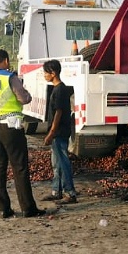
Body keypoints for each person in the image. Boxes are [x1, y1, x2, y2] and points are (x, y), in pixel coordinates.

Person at [0, 49, 45, 219]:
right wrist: (26, 92)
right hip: (10, 128)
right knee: (19, 168)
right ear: (5, 60)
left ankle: (4, 209)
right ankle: (28, 209)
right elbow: (24, 99)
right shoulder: (9, 77)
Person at [41, 59, 78, 204]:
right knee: (56, 163)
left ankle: (70, 193)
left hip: (59, 132)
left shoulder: (60, 90)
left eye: (45, 72)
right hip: (58, 131)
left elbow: (58, 112)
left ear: (53, 73)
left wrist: (51, 132)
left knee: (63, 162)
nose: (44, 75)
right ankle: (56, 191)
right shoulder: (57, 89)